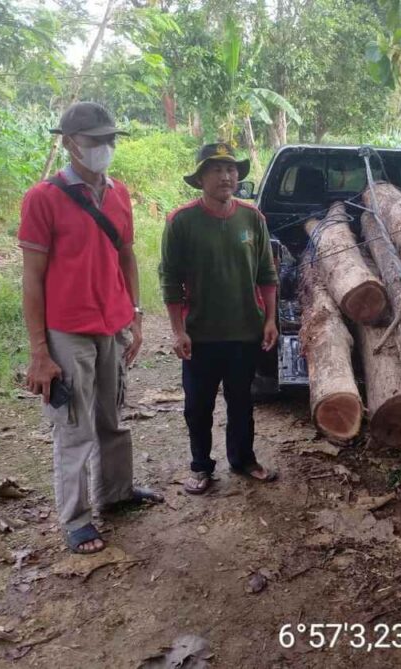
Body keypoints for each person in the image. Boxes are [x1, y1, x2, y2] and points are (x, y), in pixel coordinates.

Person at [19, 102, 163, 555]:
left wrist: (136, 316)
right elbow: (32, 278)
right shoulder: (43, 197)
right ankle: (77, 518)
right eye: (94, 140)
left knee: (112, 417)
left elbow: (126, 256)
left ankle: (116, 493)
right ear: (68, 143)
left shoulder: (118, 194)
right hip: (68, 330)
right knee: (75, 427)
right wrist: (40, 350)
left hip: (112, 323)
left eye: (109, 139)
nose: (104, 148)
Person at [160, 143, 279, 494]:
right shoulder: (181, 221)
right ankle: (201, 467)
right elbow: (170, 280)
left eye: (231, 169)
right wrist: (178, 330)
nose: (226, 176)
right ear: (200, 178)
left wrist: (269, 320)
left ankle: (243, 459)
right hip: (200, 335)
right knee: (198, 406)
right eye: (216, 170)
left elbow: (267, 274)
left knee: (241, 401)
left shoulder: (252, 218)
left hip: (245, 332)